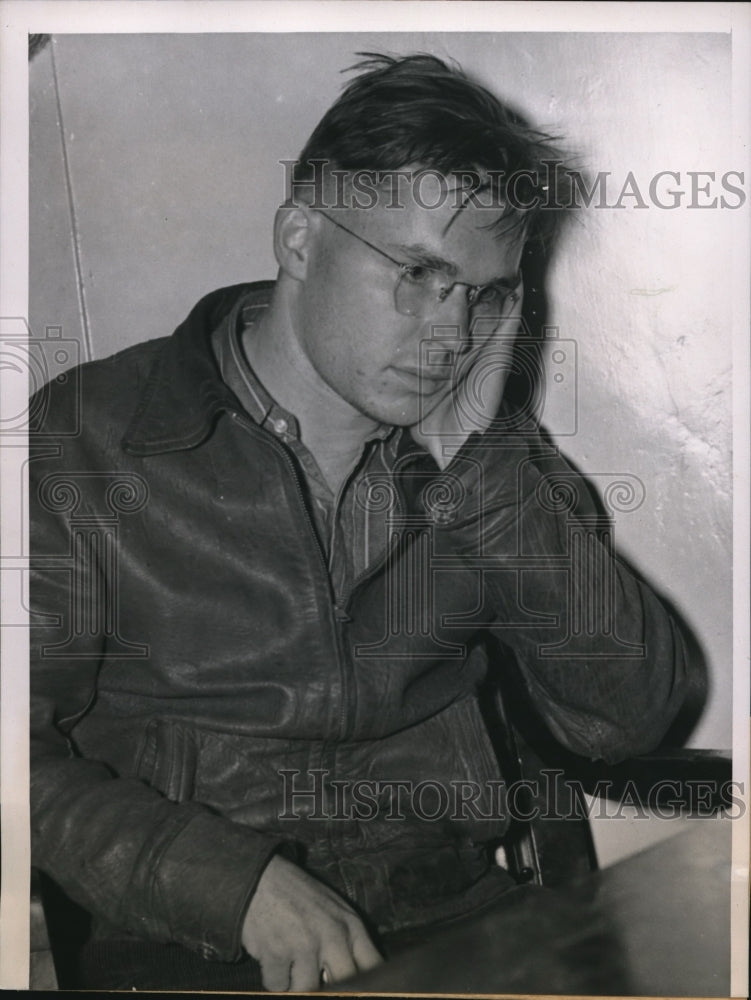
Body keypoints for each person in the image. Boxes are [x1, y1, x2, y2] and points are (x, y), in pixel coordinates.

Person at [30, 53, 687, 991]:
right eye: (419, 273)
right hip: (190, 946)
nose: (451, 334)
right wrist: (229, 885)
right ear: (299, 238)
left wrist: (481, 468)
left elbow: (624, 723)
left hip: (450, 921)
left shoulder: (494, 458)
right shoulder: (88, 438)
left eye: (484, 292)